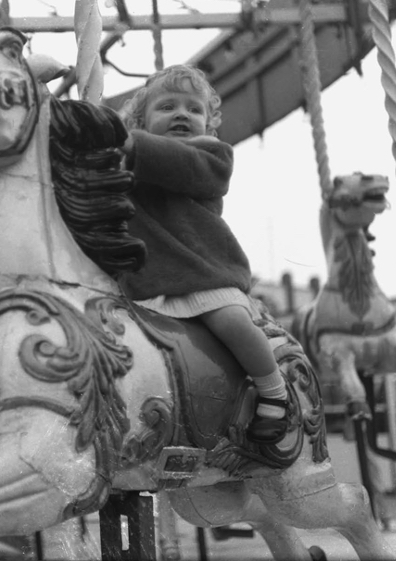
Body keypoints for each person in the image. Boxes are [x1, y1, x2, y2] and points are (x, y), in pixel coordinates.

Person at [119, 64, 288, 444]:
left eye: (193, 109)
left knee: (230, 320)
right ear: (141, 121)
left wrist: (129, 143)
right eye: (167, 106)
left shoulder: (211, 156)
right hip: (148, 286)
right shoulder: (132, 165)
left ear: (209, 124)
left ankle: (274, 390)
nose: (182, 113)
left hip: (204, 275)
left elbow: (180, 164)